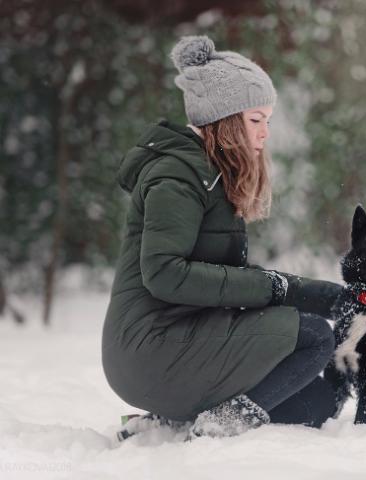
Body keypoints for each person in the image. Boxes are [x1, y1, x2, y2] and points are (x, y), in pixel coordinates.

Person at [101, 35, 343, 440]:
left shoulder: (212, 176)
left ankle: (168, 421)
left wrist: (322, 293)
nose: (265, 133)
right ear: (224, 120)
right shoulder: (176, 177)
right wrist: (276, 290)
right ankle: (217, 424)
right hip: (150, 348)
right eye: (255, 119)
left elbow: (226, 278)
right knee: (315, 336)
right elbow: (164, 273)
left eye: (268, 120)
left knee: (315, 402)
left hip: (182, 338)